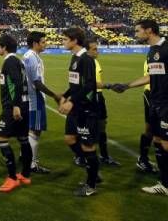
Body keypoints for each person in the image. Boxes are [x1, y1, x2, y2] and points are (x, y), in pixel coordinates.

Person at [112, 19, 168, 195]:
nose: (135, 34)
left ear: (149, 31)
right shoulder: (152, 51)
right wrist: (127, 85)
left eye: (137, 31)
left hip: (166, 103)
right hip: (155, 101)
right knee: (158, 141)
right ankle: (164, 183)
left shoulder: (166, 47)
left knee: (166, 143)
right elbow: (151, 76)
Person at [58, 27, 100, 197]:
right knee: (69, 139)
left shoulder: (86, 59)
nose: (62, 41)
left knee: (87, 147)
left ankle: (91, 184)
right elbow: (76, 84)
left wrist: (72, 101)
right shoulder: (75, 58)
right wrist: (65, 95)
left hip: (86, 109)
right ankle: (92, 169)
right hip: (76, 107)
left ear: (74, 40)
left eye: (65, 39)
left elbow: (90, 85)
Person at [0, 34, 33, 192]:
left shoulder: (9, 61)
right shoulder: (17, 60)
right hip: (24, 104)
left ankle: (12, 178)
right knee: (23, 139)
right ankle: (25, 174)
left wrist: (15, 106)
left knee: (1, 139)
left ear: (4, 47)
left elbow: (17, 83)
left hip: (13, 107)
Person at [23, 31, 62, 173]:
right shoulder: (32, 58)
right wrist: (54, 95)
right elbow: (37, 83)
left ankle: (25, 156)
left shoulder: (29, 56)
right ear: (35, 43)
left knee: (31, 130)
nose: (46, 44)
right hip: (35, 98)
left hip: (30, 97)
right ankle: (32, 164)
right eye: (43, 42)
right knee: (35, 130)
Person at [85, 39, 120, 166]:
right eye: (94, 49)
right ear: (87, 50)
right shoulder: (87, 63)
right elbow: (90, 83)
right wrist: (109, 85)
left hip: (98, 96)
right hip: (92, 97)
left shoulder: (94, 61)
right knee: (90, 128)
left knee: (101, 125)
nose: (97, 51)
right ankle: (84, 156)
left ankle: (103, 156)